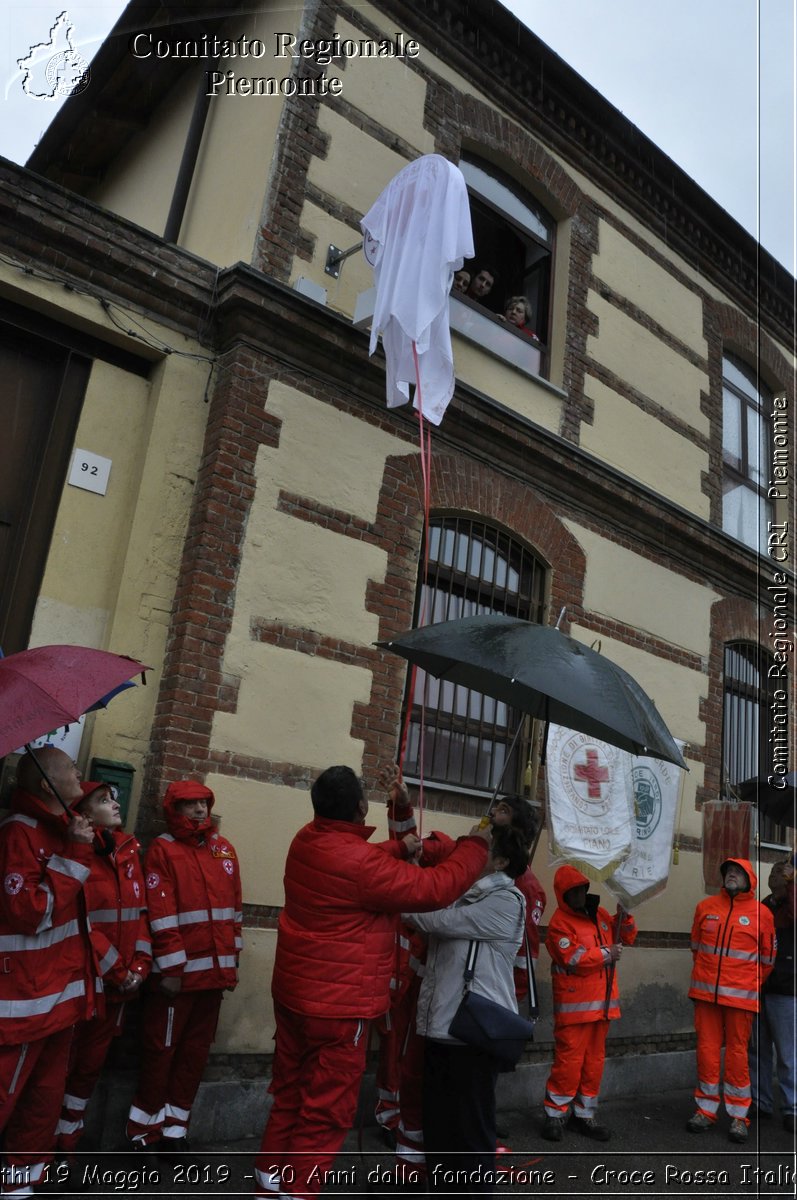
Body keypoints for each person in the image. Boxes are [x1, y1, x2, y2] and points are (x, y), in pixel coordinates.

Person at [253, 765, 490, 1200]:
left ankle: (268, 1182)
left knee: (289, 1091)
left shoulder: (307, 841)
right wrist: (476, 847)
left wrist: (399, 847)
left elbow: (353, 863)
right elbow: (436, 887)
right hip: (339, 1010)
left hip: (294, 997)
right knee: (325, 1111)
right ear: (361, 808)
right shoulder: (361, 866)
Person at [373, 774, 544, 1177]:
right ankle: (420, 1174)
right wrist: (401, 811)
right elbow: (421, 858)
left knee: (465, 1123)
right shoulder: (467, 877)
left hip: (473, 1021)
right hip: (437, 1014)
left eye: (499, 813)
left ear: (502, 854)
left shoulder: (510, 896)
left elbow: (432, 913)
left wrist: (504, 1011)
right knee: (435, 1112)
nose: (486, 819)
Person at [405, 824, 528, 1193]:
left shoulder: (507, 901)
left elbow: (440, 921)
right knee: (439, 1129)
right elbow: (433, 901)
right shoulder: (463, 892)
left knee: (471, 1133)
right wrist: (414, 875)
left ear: (502, 861)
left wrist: (401, 901)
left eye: (484, 849)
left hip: (473, 1032)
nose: (473, 853)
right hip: (439, 1027)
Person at [0, 747, 97, 1195]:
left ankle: (18, 1188)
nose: (79, 773)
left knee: (39, 1111)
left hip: (57, 1002)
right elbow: (30, 912)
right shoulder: (18, 834)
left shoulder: (61, 830)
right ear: (44, 782)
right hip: (22, 1006)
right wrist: (76, 853)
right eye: (70, 768)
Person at [126, 780, 241, 1151]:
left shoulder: (224, 850)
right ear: (174, 811)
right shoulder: (163, 849)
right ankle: (143, 1131)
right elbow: (161, 914)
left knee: (194, 1054)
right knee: (161, 1052)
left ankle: (176, 1129)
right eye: (190, 805)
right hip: (179, 979)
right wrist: (172, 970)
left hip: (213, 978)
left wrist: (230, 966)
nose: (200, 811)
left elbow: (233, 911)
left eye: (204, 803)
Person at [55, 781, 151, 1154]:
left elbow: (140, 914)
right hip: (85, 986)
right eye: (103, 800)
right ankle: (44, 1149)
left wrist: (140, 966)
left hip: (118, 990)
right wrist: (119, 971)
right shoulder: (77, 854)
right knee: (61, 1071)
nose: (114, 804)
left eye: (114, 797)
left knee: (87, 1073)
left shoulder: (128, 851)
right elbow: (83, 924)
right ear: (83, 813)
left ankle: (67, 1143)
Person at [541, 864, 637, 1143]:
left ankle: (584, 1115)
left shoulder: (602, 916)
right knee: (568, 1064)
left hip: (602, 1008)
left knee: (593, 1064)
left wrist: (626, 915)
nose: (578, 895)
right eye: (572, 892)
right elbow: (574, 959)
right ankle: (555, 1115)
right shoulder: (560, 923)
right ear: (564, 895)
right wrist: (607, 953)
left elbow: (627, 936)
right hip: (575, 1009)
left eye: (581, 889)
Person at [686, 857, 776, 1143]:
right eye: (728, 872)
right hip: (706, 997)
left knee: (738, 1056)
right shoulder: (705, 908)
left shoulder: (763, 914)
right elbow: (696, 947)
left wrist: (747, 984)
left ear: (749, 879)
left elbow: (767, 960)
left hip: (740, 999)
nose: (732, 876)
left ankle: (739, 1116)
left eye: (738, 872)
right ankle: (706, 1110)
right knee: (707, 1052)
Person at [749, 861, 795, 1131]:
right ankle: (761, 1101)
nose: (774, 874)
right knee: (757, 1049)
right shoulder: (764, 904)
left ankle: (791, 1107)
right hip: (759, 986)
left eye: (781, 871)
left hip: (786, 988)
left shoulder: (792, 903)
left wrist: (793, 888)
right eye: (772, 871)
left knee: (788, 1054)